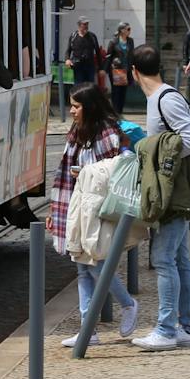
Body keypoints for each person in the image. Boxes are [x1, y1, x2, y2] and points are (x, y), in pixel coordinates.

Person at [47, 83, 139, 344]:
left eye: (76, 106)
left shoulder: (107, 133)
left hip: (96, 208)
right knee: (82, 268)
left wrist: (84, 173)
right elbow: (63, 174)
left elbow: (112, 172)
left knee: (96, 265)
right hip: (76, 205)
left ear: (89, 106)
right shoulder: (78, 130)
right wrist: (56, 211)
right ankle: (89, 331)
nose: (72, 111)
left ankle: (128, 304)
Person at [130, 42, 190, 350]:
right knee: (179, 259)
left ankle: (165, 330)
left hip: (172, 190)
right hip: (171, 185)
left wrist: (157, 156)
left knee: (164, 259)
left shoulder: (165, 98)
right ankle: (188, 328)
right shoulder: (158, 98)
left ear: (134, 72)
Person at [66, 18, 102, 88]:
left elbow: (98, 52)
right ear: (79, 25)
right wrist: (67, 59)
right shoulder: (73, 36)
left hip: (90, 67)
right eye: (84, 24)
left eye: (87, 24)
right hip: (78, 67)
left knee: (90, 87)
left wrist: (101, 68)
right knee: (78, 87)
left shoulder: (92, 36)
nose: (86, 26)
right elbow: (68, 50)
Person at [107, 23, 135, 110]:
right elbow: (108, 56)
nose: (130, 31)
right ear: (122, 30)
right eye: (128, 29)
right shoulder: (113, 41)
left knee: (123, 91)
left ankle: (120, 110)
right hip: (116, 70)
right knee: (116, 91)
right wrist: (105, 69)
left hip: (126, 70)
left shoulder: (130, 41)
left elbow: (132, 55)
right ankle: (115, 111)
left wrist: (133, 67)